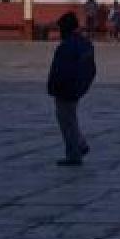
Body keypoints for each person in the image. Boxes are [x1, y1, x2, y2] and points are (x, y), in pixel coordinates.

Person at [47, 11, 97, 166]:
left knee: (66, 121)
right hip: (77, 87)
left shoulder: (67, 46)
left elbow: (60, 70)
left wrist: (54, 87)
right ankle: (80, 144)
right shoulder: (85, 44)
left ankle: (74, 153)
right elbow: (92, 69)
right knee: (70, 118)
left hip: (65, 89)